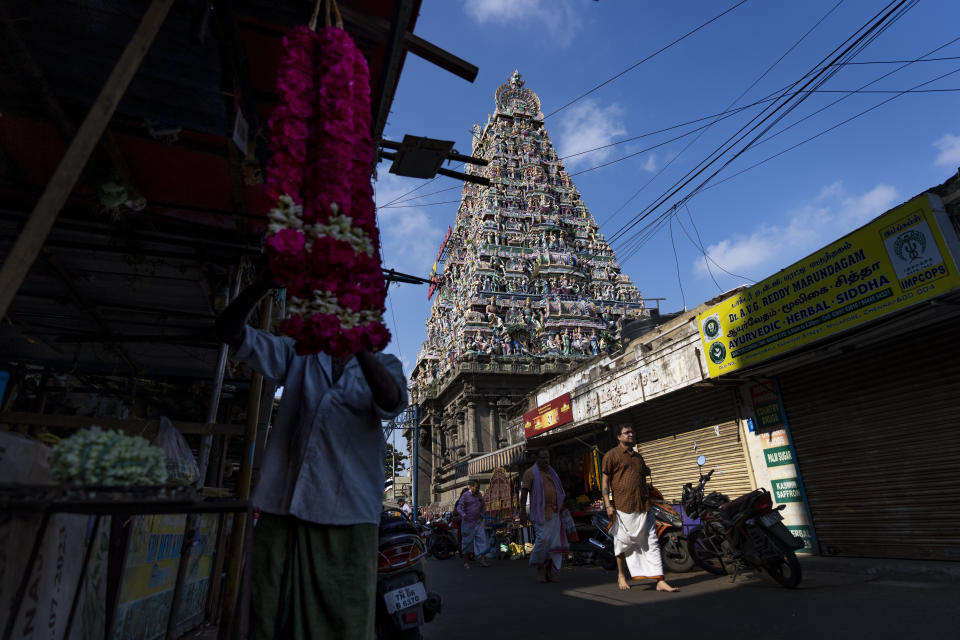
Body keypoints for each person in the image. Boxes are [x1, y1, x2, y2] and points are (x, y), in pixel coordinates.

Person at [215, 267, 408, 639]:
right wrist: (262, 283)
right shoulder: (299, 354)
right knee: (266, 616)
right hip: (283, 508)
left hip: (349, 518)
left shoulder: (385, 365)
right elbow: (229, 332)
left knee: (345, 624)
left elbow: (391, 400)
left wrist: (359, 347)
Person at [601, 425, 678, 593]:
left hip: (644, 505)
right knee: (622, 543)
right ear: (619, 437)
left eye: (632, 432)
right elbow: (605, 481)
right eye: (627, 433)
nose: (630, 435)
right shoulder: (611, 456)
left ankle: (660, 579)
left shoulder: (638, 457)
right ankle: (621, 575)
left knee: (652, 541)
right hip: (623, 506)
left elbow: (643, 474)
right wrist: (608, 504)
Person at [518, 449, 567, 583]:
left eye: (548, 457)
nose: (546, 460)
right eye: (543, 458)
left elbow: (558, 490)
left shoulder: (552, 472)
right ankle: (540, 569)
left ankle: (549, 572)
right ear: (537, 458)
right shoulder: (530, 473)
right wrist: (522, 512)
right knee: (542, 540)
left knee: (554, 543)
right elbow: (524, 494)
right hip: (540, 514)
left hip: (555, 512)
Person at [456, 480, 490, 568]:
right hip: (468, 523)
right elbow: (459, 507)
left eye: (478, 487)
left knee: (482, 540)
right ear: (471, 487)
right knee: (467, 542)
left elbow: (483, 505)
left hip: (478, 522)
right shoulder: (465, 495)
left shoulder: (479, 495)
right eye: (476, 487)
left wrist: (482, 514)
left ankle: (482, 561)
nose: (478, 489)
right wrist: (463, 515)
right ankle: (465, 562)